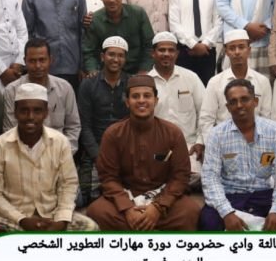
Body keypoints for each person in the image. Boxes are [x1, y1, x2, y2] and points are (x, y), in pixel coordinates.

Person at [199, 78, 276, 231]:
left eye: (244, 99)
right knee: (207, 222)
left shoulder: (273, 130)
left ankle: (250, 218)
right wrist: (227, 212)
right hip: (231, 197)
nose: (239, 105)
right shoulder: (217, 134)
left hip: (263, 196)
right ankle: (257, 219)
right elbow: (210, 178)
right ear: (228, 107)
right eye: (233, 102)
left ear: (255, 101)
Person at [0, 83, 97, 237]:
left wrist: (61, 220)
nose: (30, 117)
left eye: (37, 111)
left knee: (90, 228)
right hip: (15, 220)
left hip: (52, 217)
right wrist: (22, 219)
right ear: (15, 112)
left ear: (46, 113)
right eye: (24, 111)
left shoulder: (60, 142)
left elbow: (68, 185)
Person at [86, 75, 201, 231]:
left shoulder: (172, 133)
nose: (141, 101)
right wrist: (127, 208)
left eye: (147, 96)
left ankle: (138, 227)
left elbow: (180, 176)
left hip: (161, 196)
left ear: (156, 100)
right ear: (127, 102)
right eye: (135, 96)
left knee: (190, 212)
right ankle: (142, 226)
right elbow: (108, 177)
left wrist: (158, 207)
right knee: (97, 212)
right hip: (126, 196)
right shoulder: (113, 134)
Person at [22, 0, 87, 89]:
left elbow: (82, 32)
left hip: (72, 64)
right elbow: (26, 32)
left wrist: (82, 65)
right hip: (42, 67)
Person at [3, 38, 81, 154]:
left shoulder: (65, 88)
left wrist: (62, 154)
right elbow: (10, 131)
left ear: (51, 60)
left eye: (42, 60)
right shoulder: (12, 90)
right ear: (25, 61)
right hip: (22, 155)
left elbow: (73, 127)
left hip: (59, 155)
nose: (38, 65)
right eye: (32, 61)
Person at [77, 36, 131, 204]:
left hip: (126, 149)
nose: (116, 59)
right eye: (111, 54)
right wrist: (98, 156)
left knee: (130, 193)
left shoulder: (131, 83)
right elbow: (84, 126)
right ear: (102, 57)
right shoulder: (88, 85)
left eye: (120, 55)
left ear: (125, 59)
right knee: (84, 198)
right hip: (95, 150)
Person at [147, 32, 205, 184]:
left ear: (177, 54)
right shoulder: (146, 82)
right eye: (162, 50)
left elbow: (204, 113)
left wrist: (200, 141)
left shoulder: (191, 78)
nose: (166, 54)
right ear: (153, 53)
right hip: (156, 146)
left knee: (197, 176)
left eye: (171, 50)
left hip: (188, 145)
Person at [198, 29, 272, 144]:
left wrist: (260, 144)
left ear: (249, 50)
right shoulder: (215, 82)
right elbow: (206, 119)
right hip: (223, 142)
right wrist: (213, 145)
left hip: (255, 142)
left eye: (241, 47)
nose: (237, 52)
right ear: (226, 52)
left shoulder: (262, 81)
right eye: (232, 48)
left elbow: (266, 118)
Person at [82, 0, 155, 76]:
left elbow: (149, 46)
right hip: (106, 76)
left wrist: (144, 70)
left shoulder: (138, 14)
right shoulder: (94, 20)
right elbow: (89, 52)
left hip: (136, 73)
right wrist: (93, 71)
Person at [168, 0, 221, 85]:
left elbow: (218, 22)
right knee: (183, 88)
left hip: (207, 51)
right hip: (185, 50)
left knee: (206, 89)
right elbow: (174, 23)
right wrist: (193, 44)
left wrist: (205, 44)